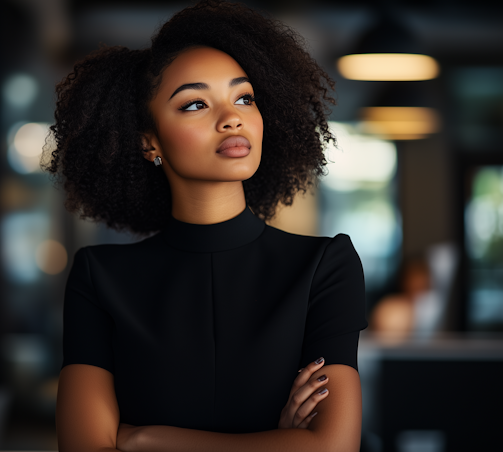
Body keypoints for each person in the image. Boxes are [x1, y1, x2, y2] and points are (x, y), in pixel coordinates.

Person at [47, 1, 367, 451]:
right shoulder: (99, 278)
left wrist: (143, 438)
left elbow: (333, 448)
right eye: (195, 103)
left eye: (244, 97)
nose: (232, 117)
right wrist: (278, 442)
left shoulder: (324, 268)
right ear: (148, 140)